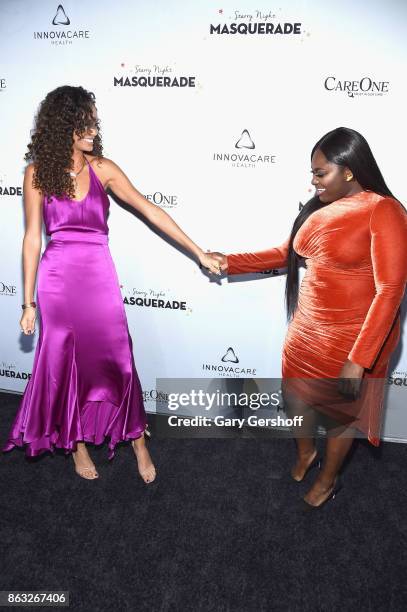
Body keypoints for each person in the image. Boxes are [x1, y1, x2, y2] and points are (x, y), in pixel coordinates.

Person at [3, 85, 221, 482]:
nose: (93, 128)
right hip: (57, 282)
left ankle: (138, 439)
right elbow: (32, 238)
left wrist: (199, 252)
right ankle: (77, 444)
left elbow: (150, 210)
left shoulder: (103, 168)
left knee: (118, 359)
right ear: (64, 126)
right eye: (85, 122)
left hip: (98, 277)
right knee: (66, 363)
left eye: (94, 121)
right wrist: (28, 303)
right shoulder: (37, 175)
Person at [209, 127, 407, 509]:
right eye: (312, 174)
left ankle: (329, 480)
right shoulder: (318, 207)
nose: (313, 180)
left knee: (341, 418)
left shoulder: (385, 212)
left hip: (352, 341)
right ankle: (305, 454)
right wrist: (228, 260)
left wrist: (358, 360)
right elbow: (284, 253)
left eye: (320, 173)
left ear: (348, 170)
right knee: (297, 399)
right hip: (306, 331)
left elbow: (390, 291)